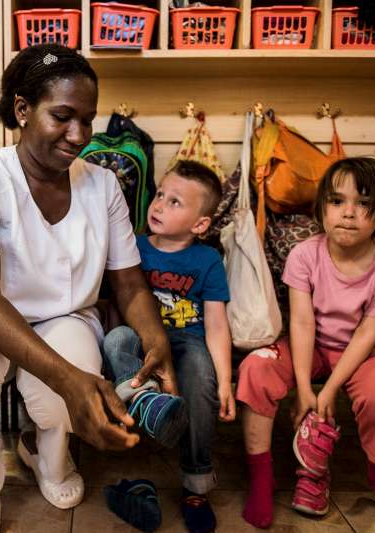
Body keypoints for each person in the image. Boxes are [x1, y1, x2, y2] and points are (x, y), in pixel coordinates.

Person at [0, 43, 177, 533]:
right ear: (22, 110)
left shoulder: (102, 186)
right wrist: (68, 380)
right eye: (62, 116)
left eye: (88, 119)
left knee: (79, 366)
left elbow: (128, 281)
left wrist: (154, 336)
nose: (79, 134)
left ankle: (46, 452)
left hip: (65, 316)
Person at [236, 157, 375, 532]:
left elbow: (369, 334)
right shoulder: (305, 254)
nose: (349, 213)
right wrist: (306, 388)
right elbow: (302, 322)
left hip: (362, 351)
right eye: (337, 201)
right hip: (307, 345)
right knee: (256, 368)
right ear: (322, 207)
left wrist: (330, 390)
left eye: (364, 203)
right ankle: (262, 479)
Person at [102, 160, 235, 532]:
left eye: (175, 202)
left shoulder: (207, 260)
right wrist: (112, 356)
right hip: (138, 342)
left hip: (187, 341)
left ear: (200, 224)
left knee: (199, 373)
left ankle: (195, 486)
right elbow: (117, 305)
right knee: (115, 338)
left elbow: (216, 323)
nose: (158, 205)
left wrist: (224, 381)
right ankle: (146, 398)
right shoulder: (135, 246)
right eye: (160, 194)